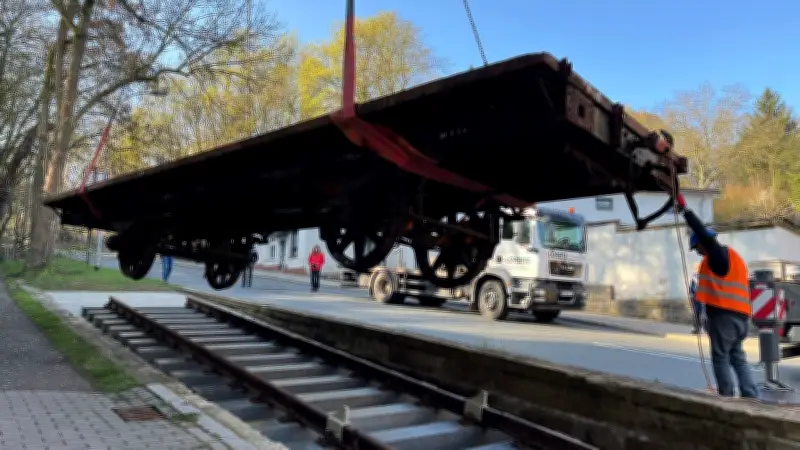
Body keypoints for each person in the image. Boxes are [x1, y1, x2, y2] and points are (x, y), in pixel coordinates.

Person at [674, 192, 758, 399]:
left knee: (720, 357)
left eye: (697, 249)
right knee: (737, 358)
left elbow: (700, 231)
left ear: (704, 243)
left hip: (724, 317)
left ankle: (726, 398)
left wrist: (685, 210)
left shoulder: (717, 256)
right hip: (740, 317)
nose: (698, 253)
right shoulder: (732, 257)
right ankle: (750, 396)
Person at [689, 262, 706, 334]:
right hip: (695, 298)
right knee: (695, 313)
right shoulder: (694, 277)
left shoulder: (704, 275)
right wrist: (691, 294)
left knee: (703, 313)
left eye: (698, 267)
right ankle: (695, 327)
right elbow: (691, 286)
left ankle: (702, 328)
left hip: (703, 297)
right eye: (696, 267)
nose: (696, 269)